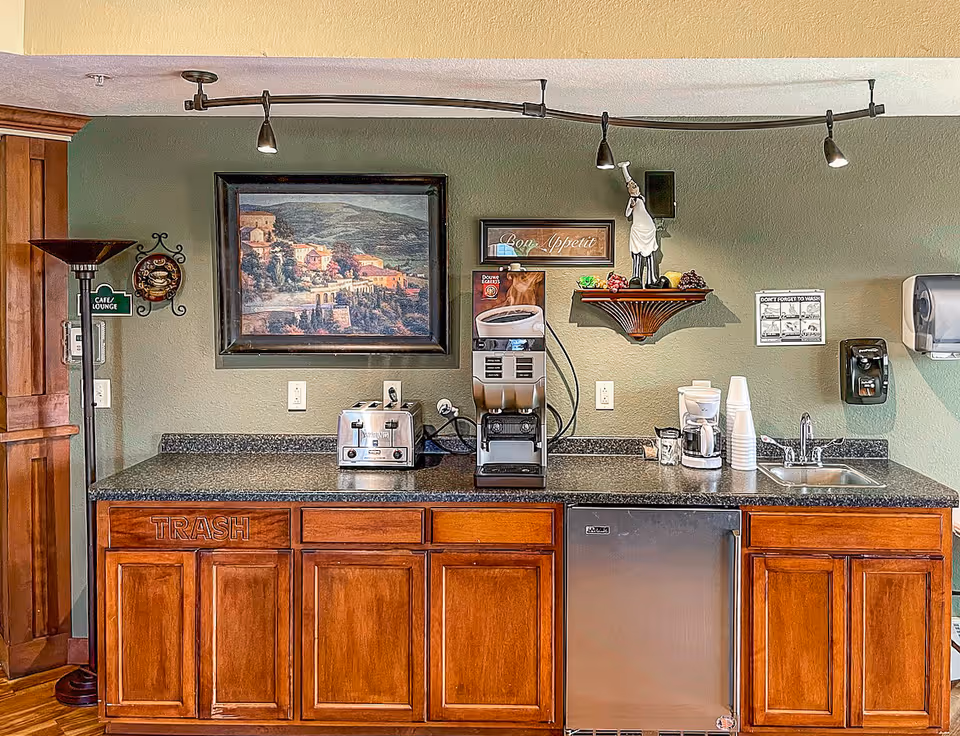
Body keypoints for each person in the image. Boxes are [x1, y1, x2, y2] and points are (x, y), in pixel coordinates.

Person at [618, 161, 659, 287]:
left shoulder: (642, 198)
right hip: (637, 230)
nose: (634, 186)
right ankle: (636, 277)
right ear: (629, 190)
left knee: (650, 253)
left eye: (635, 185)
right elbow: (627, 214)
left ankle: (651, 279)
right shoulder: (633, 200)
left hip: (648, 228)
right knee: (637, 252)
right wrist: (631, 205)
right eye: (631, 185)